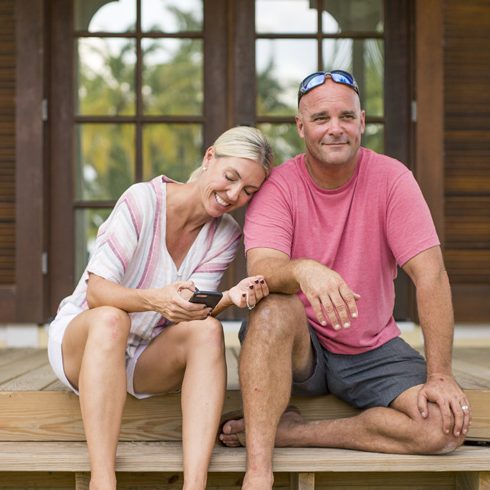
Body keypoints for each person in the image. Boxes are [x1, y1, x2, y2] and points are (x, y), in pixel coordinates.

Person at [219, 71, 470, 489]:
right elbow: (261, 270)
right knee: (271, 308)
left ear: (362, 121)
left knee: (443, 429)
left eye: (345, 117)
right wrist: (303, 268)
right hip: (304, 348)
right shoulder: (278, 186)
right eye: (320, 118)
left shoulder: (392, 179)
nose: (335, 128)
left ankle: (292, 433)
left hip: (373, 346)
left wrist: (440, 374)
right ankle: (258, 473)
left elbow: (431, 276)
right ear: (301, 127)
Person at [47, 126, 273, 490]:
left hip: (144, 357)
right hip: (84, 343)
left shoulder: (226, 235)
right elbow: (97, 293)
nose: (233, 195)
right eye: (230, 178)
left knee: (208, 331)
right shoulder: (142, 201)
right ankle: (102, 480)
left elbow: (187, 310)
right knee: (110, 319)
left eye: (248, 191)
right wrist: (155, 299)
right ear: (209, 157)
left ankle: (194, 485)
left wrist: (228, 297)